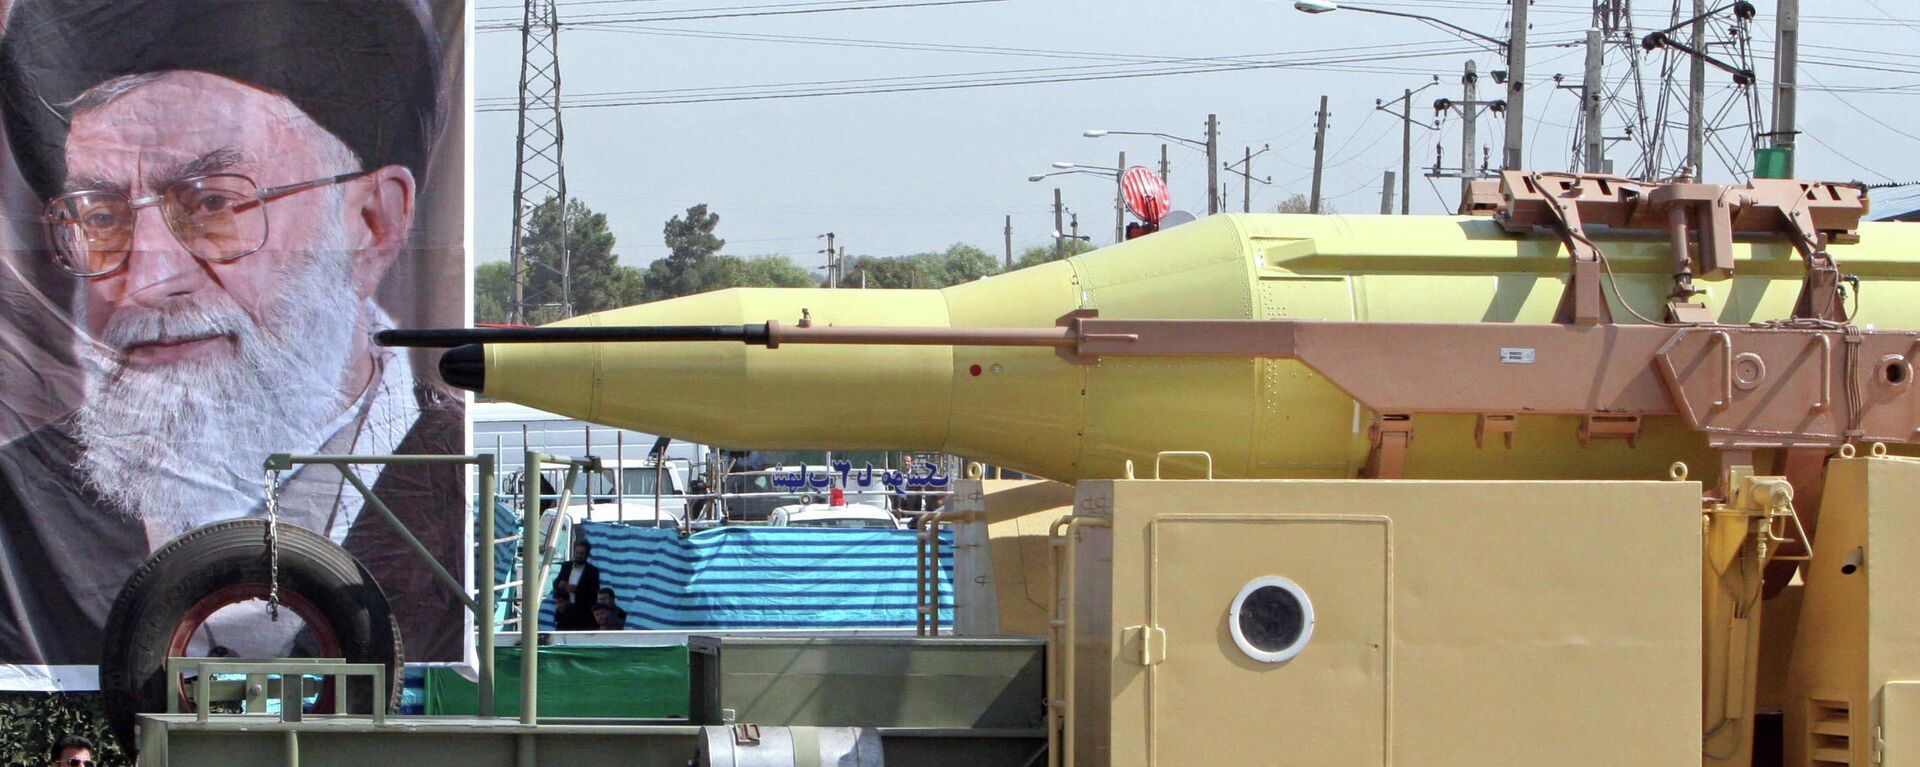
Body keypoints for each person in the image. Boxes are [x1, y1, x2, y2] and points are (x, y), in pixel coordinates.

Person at [0, 0, 465, 666]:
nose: (147, 278)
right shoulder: (20, 517)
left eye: (213, 202)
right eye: (100, 217)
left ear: (371, 222)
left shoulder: (466, 509)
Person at [552, 537, 602, 630]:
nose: (578, 556)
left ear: (587, 555)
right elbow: (556, 583)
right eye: (577, 553)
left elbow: (593, 593)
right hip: (564, 610)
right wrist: (560, 584)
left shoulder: (592, 571)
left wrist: (577, 590)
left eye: (582, 553)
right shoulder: (566, 566)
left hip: (581, 612)